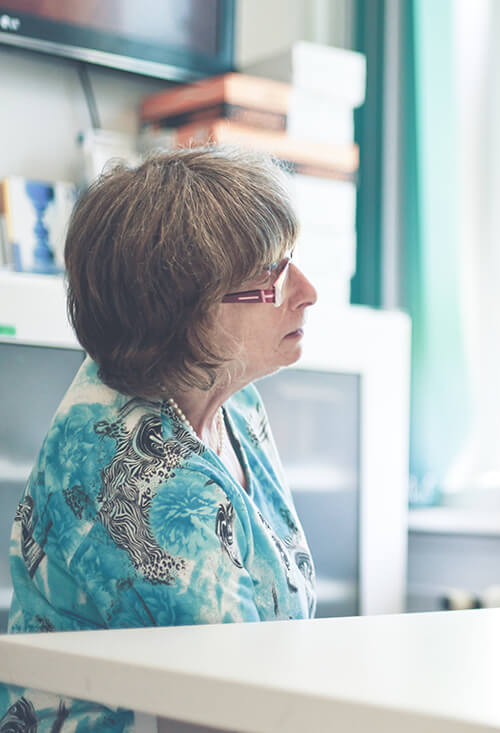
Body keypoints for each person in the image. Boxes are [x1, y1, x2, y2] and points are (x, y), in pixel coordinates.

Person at [1, 147, 319, 731]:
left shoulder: (233, 398)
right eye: (270, 276)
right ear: (180, 312)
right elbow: (230, 702)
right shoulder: (136, 474)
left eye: (291, 260)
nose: (306, 291)